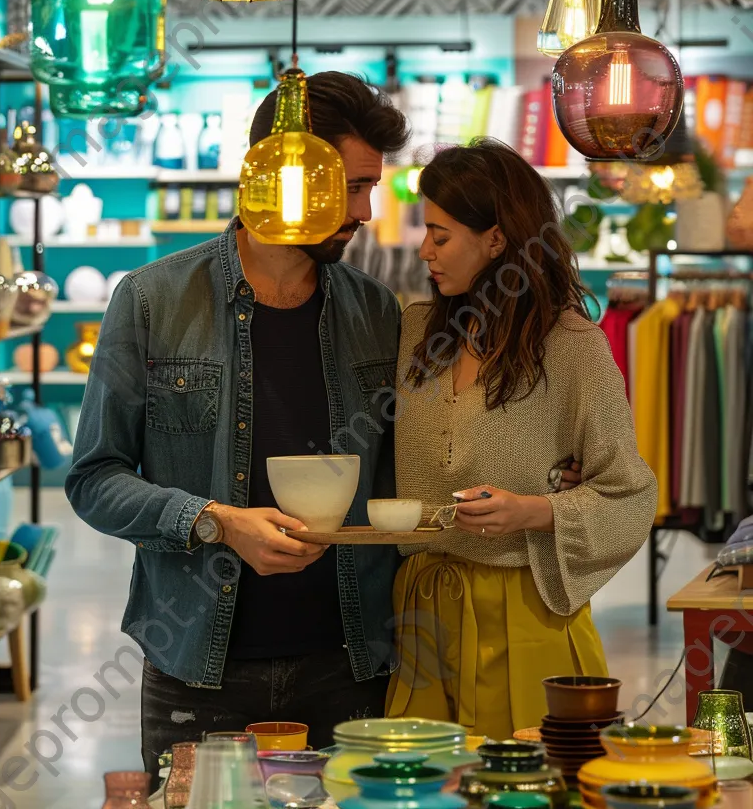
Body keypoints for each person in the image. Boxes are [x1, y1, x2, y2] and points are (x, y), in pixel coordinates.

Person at [66, 72, 409, 778]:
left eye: (371, 187)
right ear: (283, 177)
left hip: (352, 661)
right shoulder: (153, 301)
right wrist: (215, 520)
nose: (367, 212)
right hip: (199, 662)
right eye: (350, 187)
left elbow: (401, 477)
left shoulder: (377, 312)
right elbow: (94, 479)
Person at [386, 138, 658, 738]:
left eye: (441, 234)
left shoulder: (569, 345)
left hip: (526, 610)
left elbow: (630, 494)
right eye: (425, 231)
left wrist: (536, 511)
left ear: (496, 238)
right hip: (424, 611)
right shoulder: (415, 335)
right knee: (420, 790)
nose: (424, 249)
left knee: (529, 787)